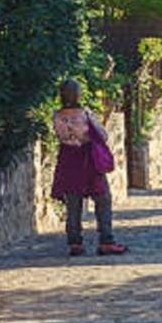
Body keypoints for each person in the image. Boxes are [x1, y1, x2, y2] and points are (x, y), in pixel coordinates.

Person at [51, 78, 127, 256]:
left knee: (73, 202)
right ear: (78, 94)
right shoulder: (85, 114)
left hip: (68, 160)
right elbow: (102, 135)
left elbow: (60, 135)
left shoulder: (57, 116)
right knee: (102, 199)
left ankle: (75, 243)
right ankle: (106, 240)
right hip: (88, 160)